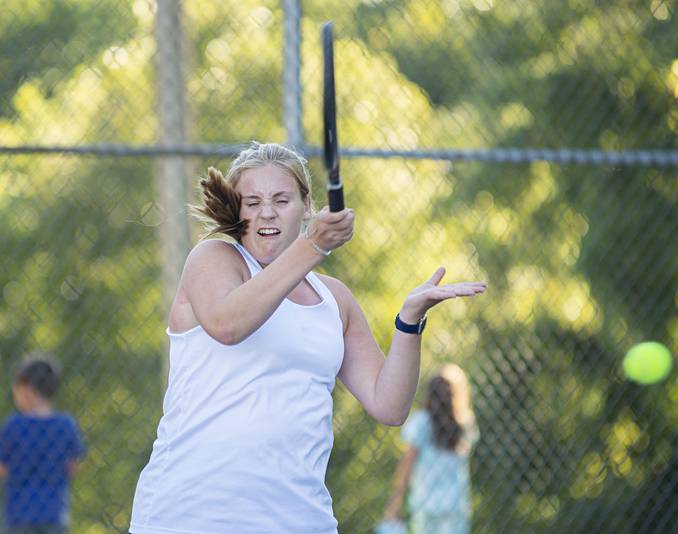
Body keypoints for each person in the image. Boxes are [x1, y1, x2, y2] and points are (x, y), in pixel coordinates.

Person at [129, 142, 486, 534]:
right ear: (236, 210)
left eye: (281, 199)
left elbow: (390, 406)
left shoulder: (333, 299)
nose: (267, 211)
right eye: (252, 201)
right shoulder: (214, 259)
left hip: (300, 520)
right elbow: (227, 325)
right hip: (192, 516)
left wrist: (409, 322)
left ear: (307, 205)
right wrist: (312, 246)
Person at [382, 363, 479, 534]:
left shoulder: (421, 422)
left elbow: (407, 464)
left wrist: (394, 503)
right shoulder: (465, 424)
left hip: (425, 503)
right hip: (455, 504)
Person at [0, 355, 86, 534]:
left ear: (27, 389)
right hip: (54, 512)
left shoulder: (14, 426)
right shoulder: (65, 425)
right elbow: (73, 467)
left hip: (19, 515)